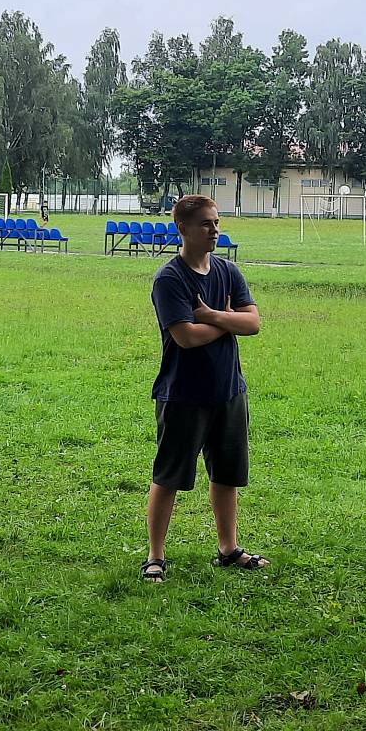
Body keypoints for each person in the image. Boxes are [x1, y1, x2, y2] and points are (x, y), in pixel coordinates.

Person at [141, 195, 267, 582]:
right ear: (183, 229)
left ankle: (229, 549)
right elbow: (186, 337)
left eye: (216, 222)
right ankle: (155, 557)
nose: (215, 230)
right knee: (169, 478)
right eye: (206, 224)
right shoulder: (170, 279)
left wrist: (212, 315)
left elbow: (254, 323)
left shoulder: (228, 271)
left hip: (229, 391)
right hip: (183, 394)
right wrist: (229, 321)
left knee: (227, 476)